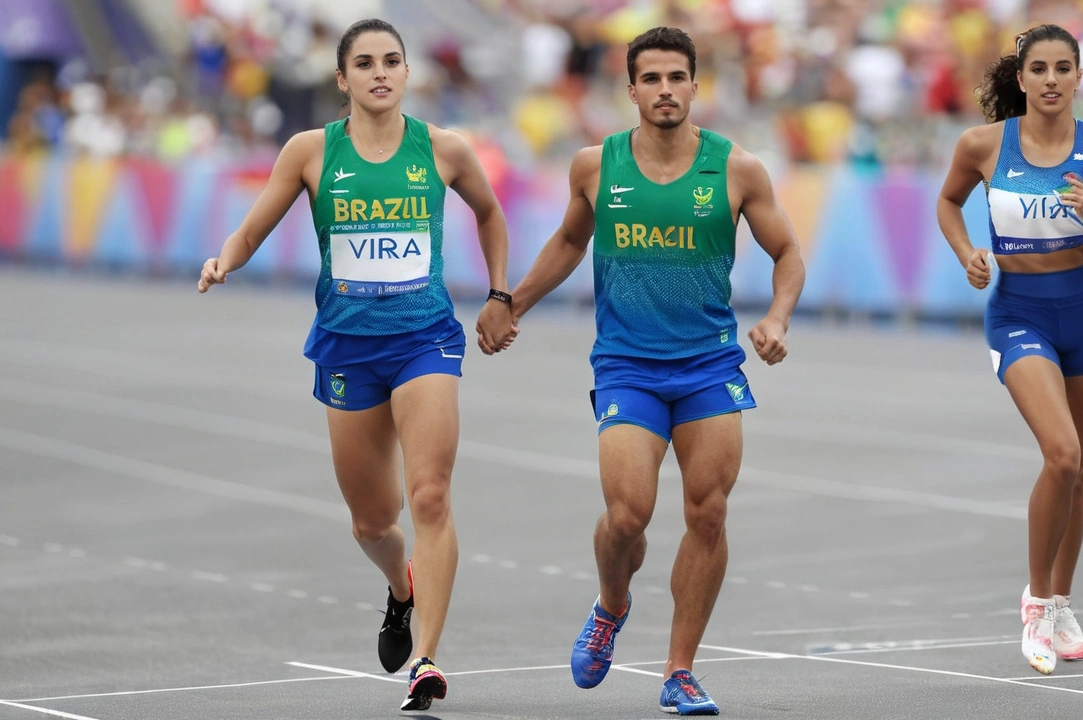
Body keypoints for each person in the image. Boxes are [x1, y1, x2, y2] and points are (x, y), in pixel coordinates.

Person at [196, 18, 514, 711]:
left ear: (406, 74)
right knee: (374, 520)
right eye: (364, 62)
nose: (379, 72)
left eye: (392, 61)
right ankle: (401, 588)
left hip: (425, 340)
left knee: (430, 495)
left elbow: (491, 214)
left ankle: (425, 658)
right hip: (347, 348)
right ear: (342, 79)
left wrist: (497, 293)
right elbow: (254, 226)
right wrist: (226, 258)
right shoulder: (311, 152)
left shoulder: (445, 149)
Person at [498, 26, 805, 716]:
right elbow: (571, 240)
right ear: (631, 88)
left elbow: (788, 253)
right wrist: (511, 303)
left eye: (678, 78)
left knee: (710, 511)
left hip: (708, 366)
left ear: (696, 86)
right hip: (627, 366)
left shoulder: (736, 168)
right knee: (628, 515)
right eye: (652, 79)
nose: (666, 90)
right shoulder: (595, 165)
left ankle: (680, 670)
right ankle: (612, 603)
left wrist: (778, 317)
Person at [936, 23, 1083, 675]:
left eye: (1063, 68)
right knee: (1060, 453)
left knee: (1081, 469)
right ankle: (1035, 600)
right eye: (1039, 69)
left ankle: (1061, 604)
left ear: (1080, 77)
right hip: (1019, 313)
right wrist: (968, 250)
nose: (1051, 80)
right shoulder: (982, 145)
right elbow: (947, 201)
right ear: (1020, 79)